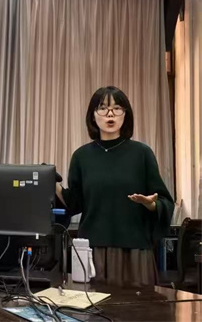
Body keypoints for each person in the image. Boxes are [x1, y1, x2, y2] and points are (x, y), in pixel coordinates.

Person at [56, 86, 173, 287]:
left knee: (138, 305)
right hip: (93, 250)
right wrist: (51, 182)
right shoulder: (81, 156)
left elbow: (165, 201)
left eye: (117, 108)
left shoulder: (142, 153)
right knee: (92, 305)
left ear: (125, 115)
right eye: (103, 108)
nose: (110, 114)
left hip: (134, 251)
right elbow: (75, 203)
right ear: (93, 116)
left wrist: (151, 204)